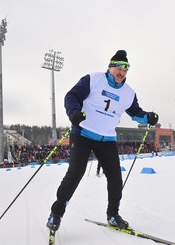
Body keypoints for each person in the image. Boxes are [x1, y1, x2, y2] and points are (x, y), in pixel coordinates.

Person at [46, 50, 159, 231]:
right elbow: (71, 96)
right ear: (110, 66)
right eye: (119, 68)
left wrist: (148, 118)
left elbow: (136, 113)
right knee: (76, 172)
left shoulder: (129, 93)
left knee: (115, 178)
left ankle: (113, 215)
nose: (122, 72)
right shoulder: (93, 79)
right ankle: (56, 213)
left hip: (107, 139)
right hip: (83, 134)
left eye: (126, 69)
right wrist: (74, 113)